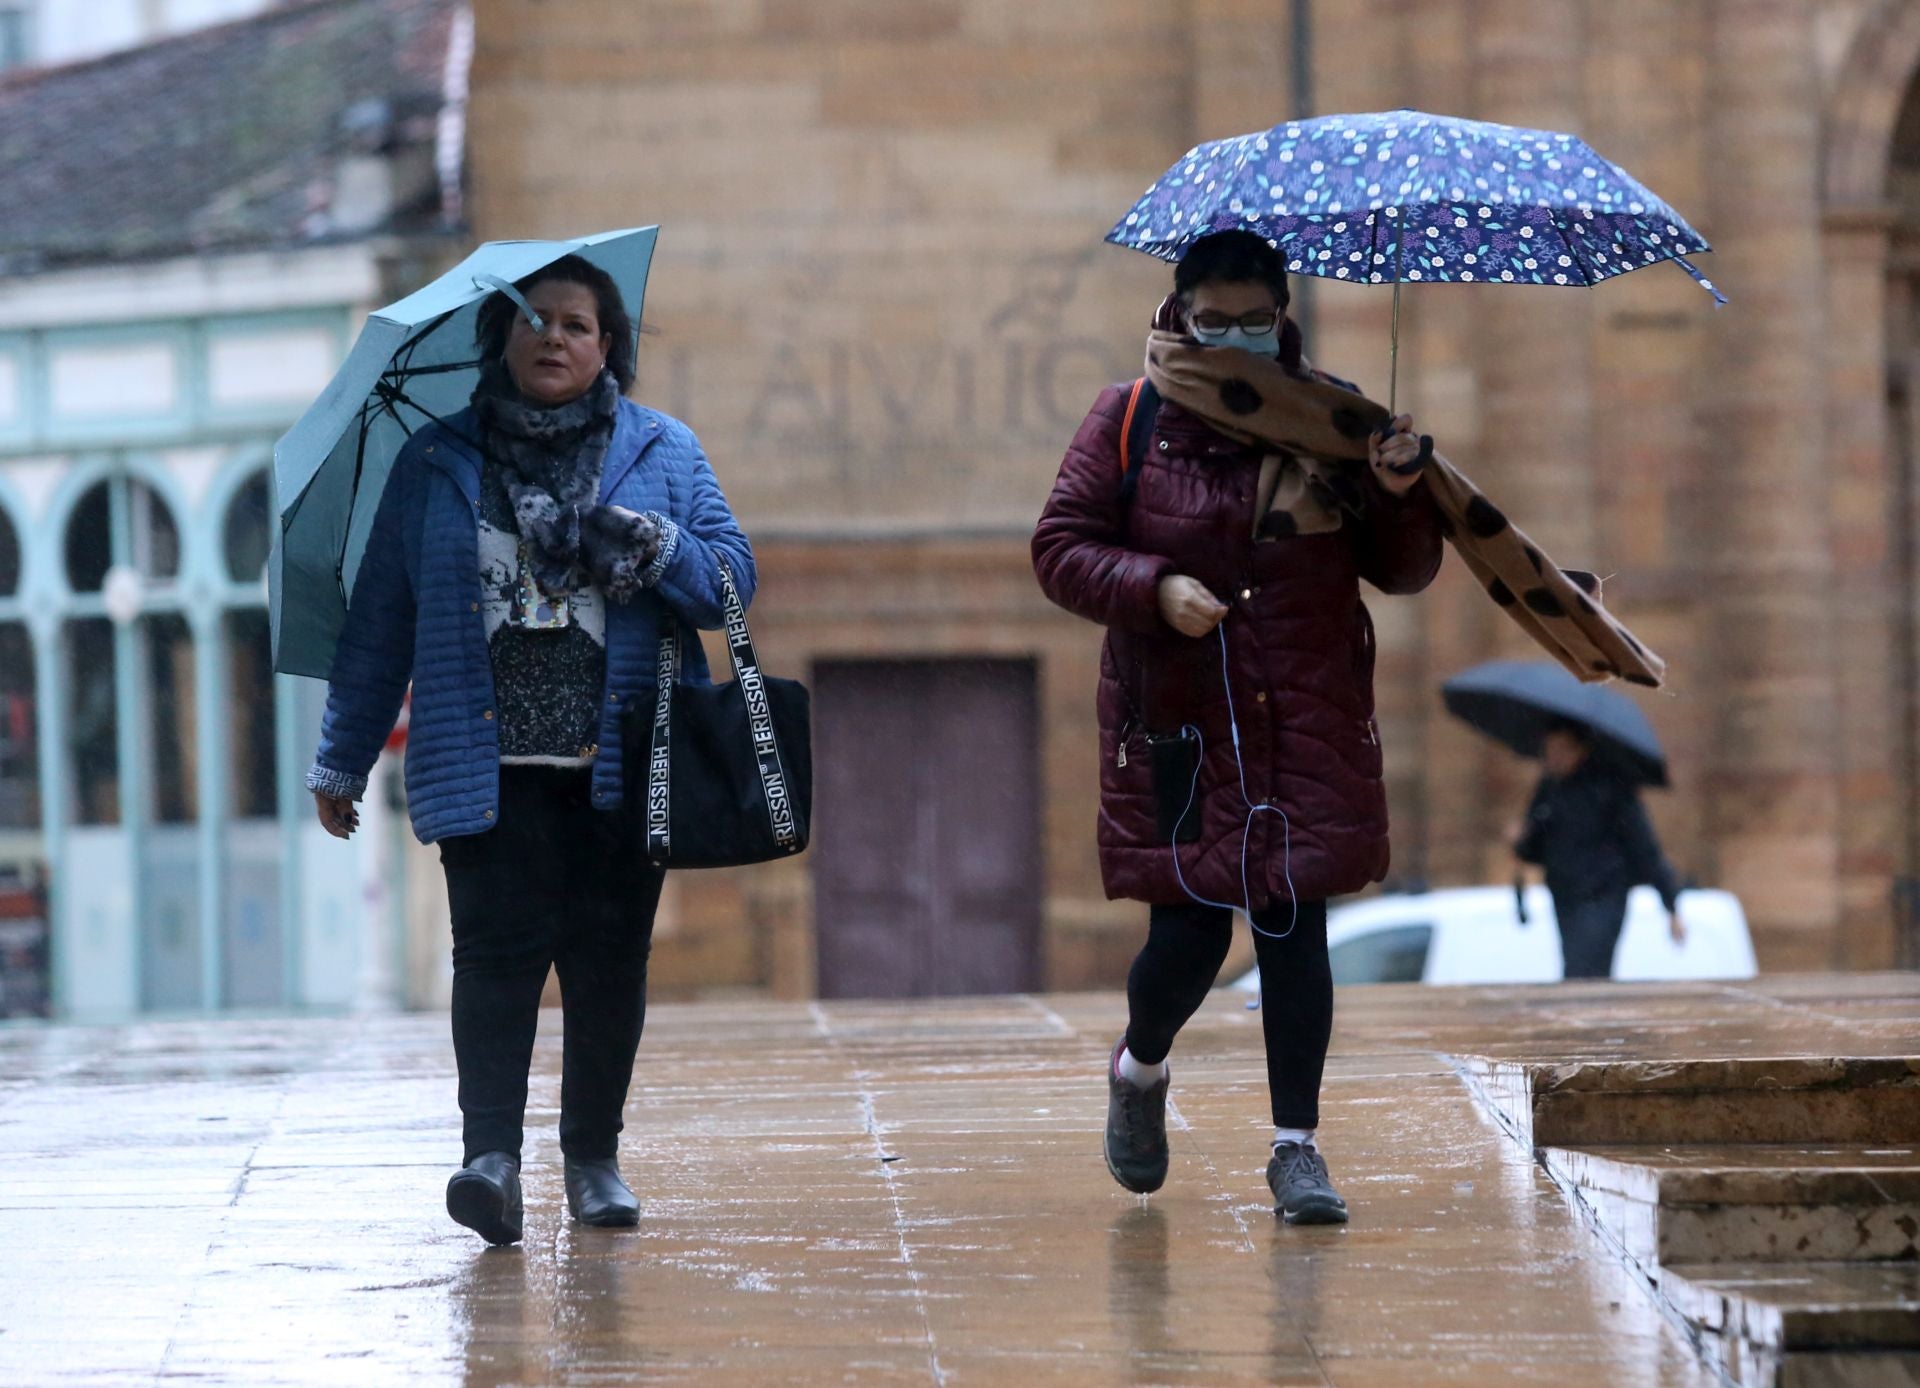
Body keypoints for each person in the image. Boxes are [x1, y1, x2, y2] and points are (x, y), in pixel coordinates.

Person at [306, 255, 754, 1246]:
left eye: (578, 323)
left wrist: (658, 546)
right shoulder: (436, 464)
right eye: (533, 319)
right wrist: (342, 756)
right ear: (498, 338)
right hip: (486, 765)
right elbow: (381, 621)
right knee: (495, 961)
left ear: (608, 346)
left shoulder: (663, 451)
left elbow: (732, 580)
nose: (555, 337)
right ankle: (491, 1160)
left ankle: (593, 1158)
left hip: (623, 763)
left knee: (607, 964)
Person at [1032, 229, 1444, 1224]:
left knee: (1295, 925)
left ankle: (1296, 1148)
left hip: (1304, 713)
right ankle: (1141, 1067)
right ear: (1180, 312)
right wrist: (1155, 584)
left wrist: (1398, 492)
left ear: (1280, 314)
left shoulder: (1338, 419)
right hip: (1180, 721)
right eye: (1211, 319)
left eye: (1250, 319)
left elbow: (1405, 568)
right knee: (1186, 934)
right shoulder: (1131, 418)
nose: (1231, 336)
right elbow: (1059, 547)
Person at [1513, 721, 1686, 980]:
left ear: (1580, 750)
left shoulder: (1611, 787)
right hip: (1564, 895)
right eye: (1548, 750)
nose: (1553, 757)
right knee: (1575, 970)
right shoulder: (1549, 788)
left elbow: (1644, 848)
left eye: (1560, 750)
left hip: (1603, 894)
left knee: (1585, 972)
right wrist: (1520, 838)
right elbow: (1533, 850)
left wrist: (1670, 905)